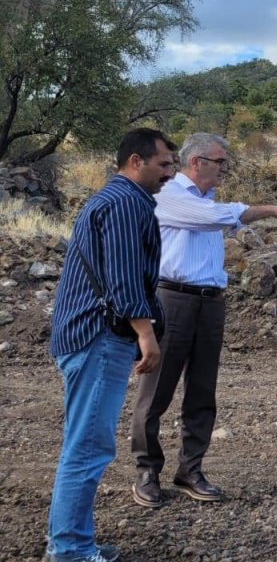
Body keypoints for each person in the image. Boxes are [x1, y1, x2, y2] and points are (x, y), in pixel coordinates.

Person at [129, 132, 277, 507]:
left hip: (210, 302)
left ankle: (190, 469)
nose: (225, 167)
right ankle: (147, 470)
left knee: (202, 390)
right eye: (220, 161)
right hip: (172, 298)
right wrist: (274, 209)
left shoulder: (208, 201)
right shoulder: (170, 196)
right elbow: (217, 218)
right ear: (196, 163)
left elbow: (222, 217)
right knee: (157, 390)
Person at [45, 128, 176, 562]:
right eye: (163, 165)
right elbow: (122, 279)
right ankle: (70, 551)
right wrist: (145, 333)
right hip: (99, 337)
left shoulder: (113, 199)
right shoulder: (123, 203)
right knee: (88, 448)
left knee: (82, 444)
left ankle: (71, 541)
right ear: (135, 161)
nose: (170, 174)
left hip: (87, 334)